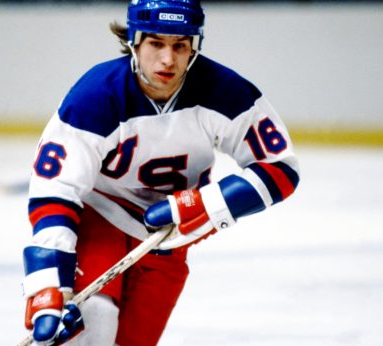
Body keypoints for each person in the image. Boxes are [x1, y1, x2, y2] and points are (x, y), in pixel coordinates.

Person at [22, 0, 300, 345]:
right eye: (156, 43)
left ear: (194, 46)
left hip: (170, 234)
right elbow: (55, 190)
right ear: (134, 42)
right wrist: (48, 286)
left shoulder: (224, 91)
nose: (168, 59)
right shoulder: (95, 96)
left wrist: (203, 204)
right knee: (94, 318)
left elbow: (280, 168)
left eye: (180, 45)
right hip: (100, 217)